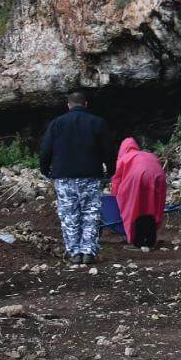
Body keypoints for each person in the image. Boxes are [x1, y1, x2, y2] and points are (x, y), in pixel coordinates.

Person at [39, 91, 114, 266]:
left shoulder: (57, 124)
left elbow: (45, 150)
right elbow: (109, 151)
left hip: (64, 178)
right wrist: (110, 171)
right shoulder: (98, 123)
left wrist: (45, 170)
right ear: (86, 104)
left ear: (68, 106)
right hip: (90, 176)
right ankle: (88, 252)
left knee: (69, 215)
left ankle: (74, 253)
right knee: (91, 214)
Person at [113, 138, 167, 250]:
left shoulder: (125, 158)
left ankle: (139, 242)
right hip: (159, 177)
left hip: (139, 177)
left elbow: (117, 179)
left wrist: (115, 195)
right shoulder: (148, 155)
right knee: (152, 207)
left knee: (137, 208)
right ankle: (151, 241)